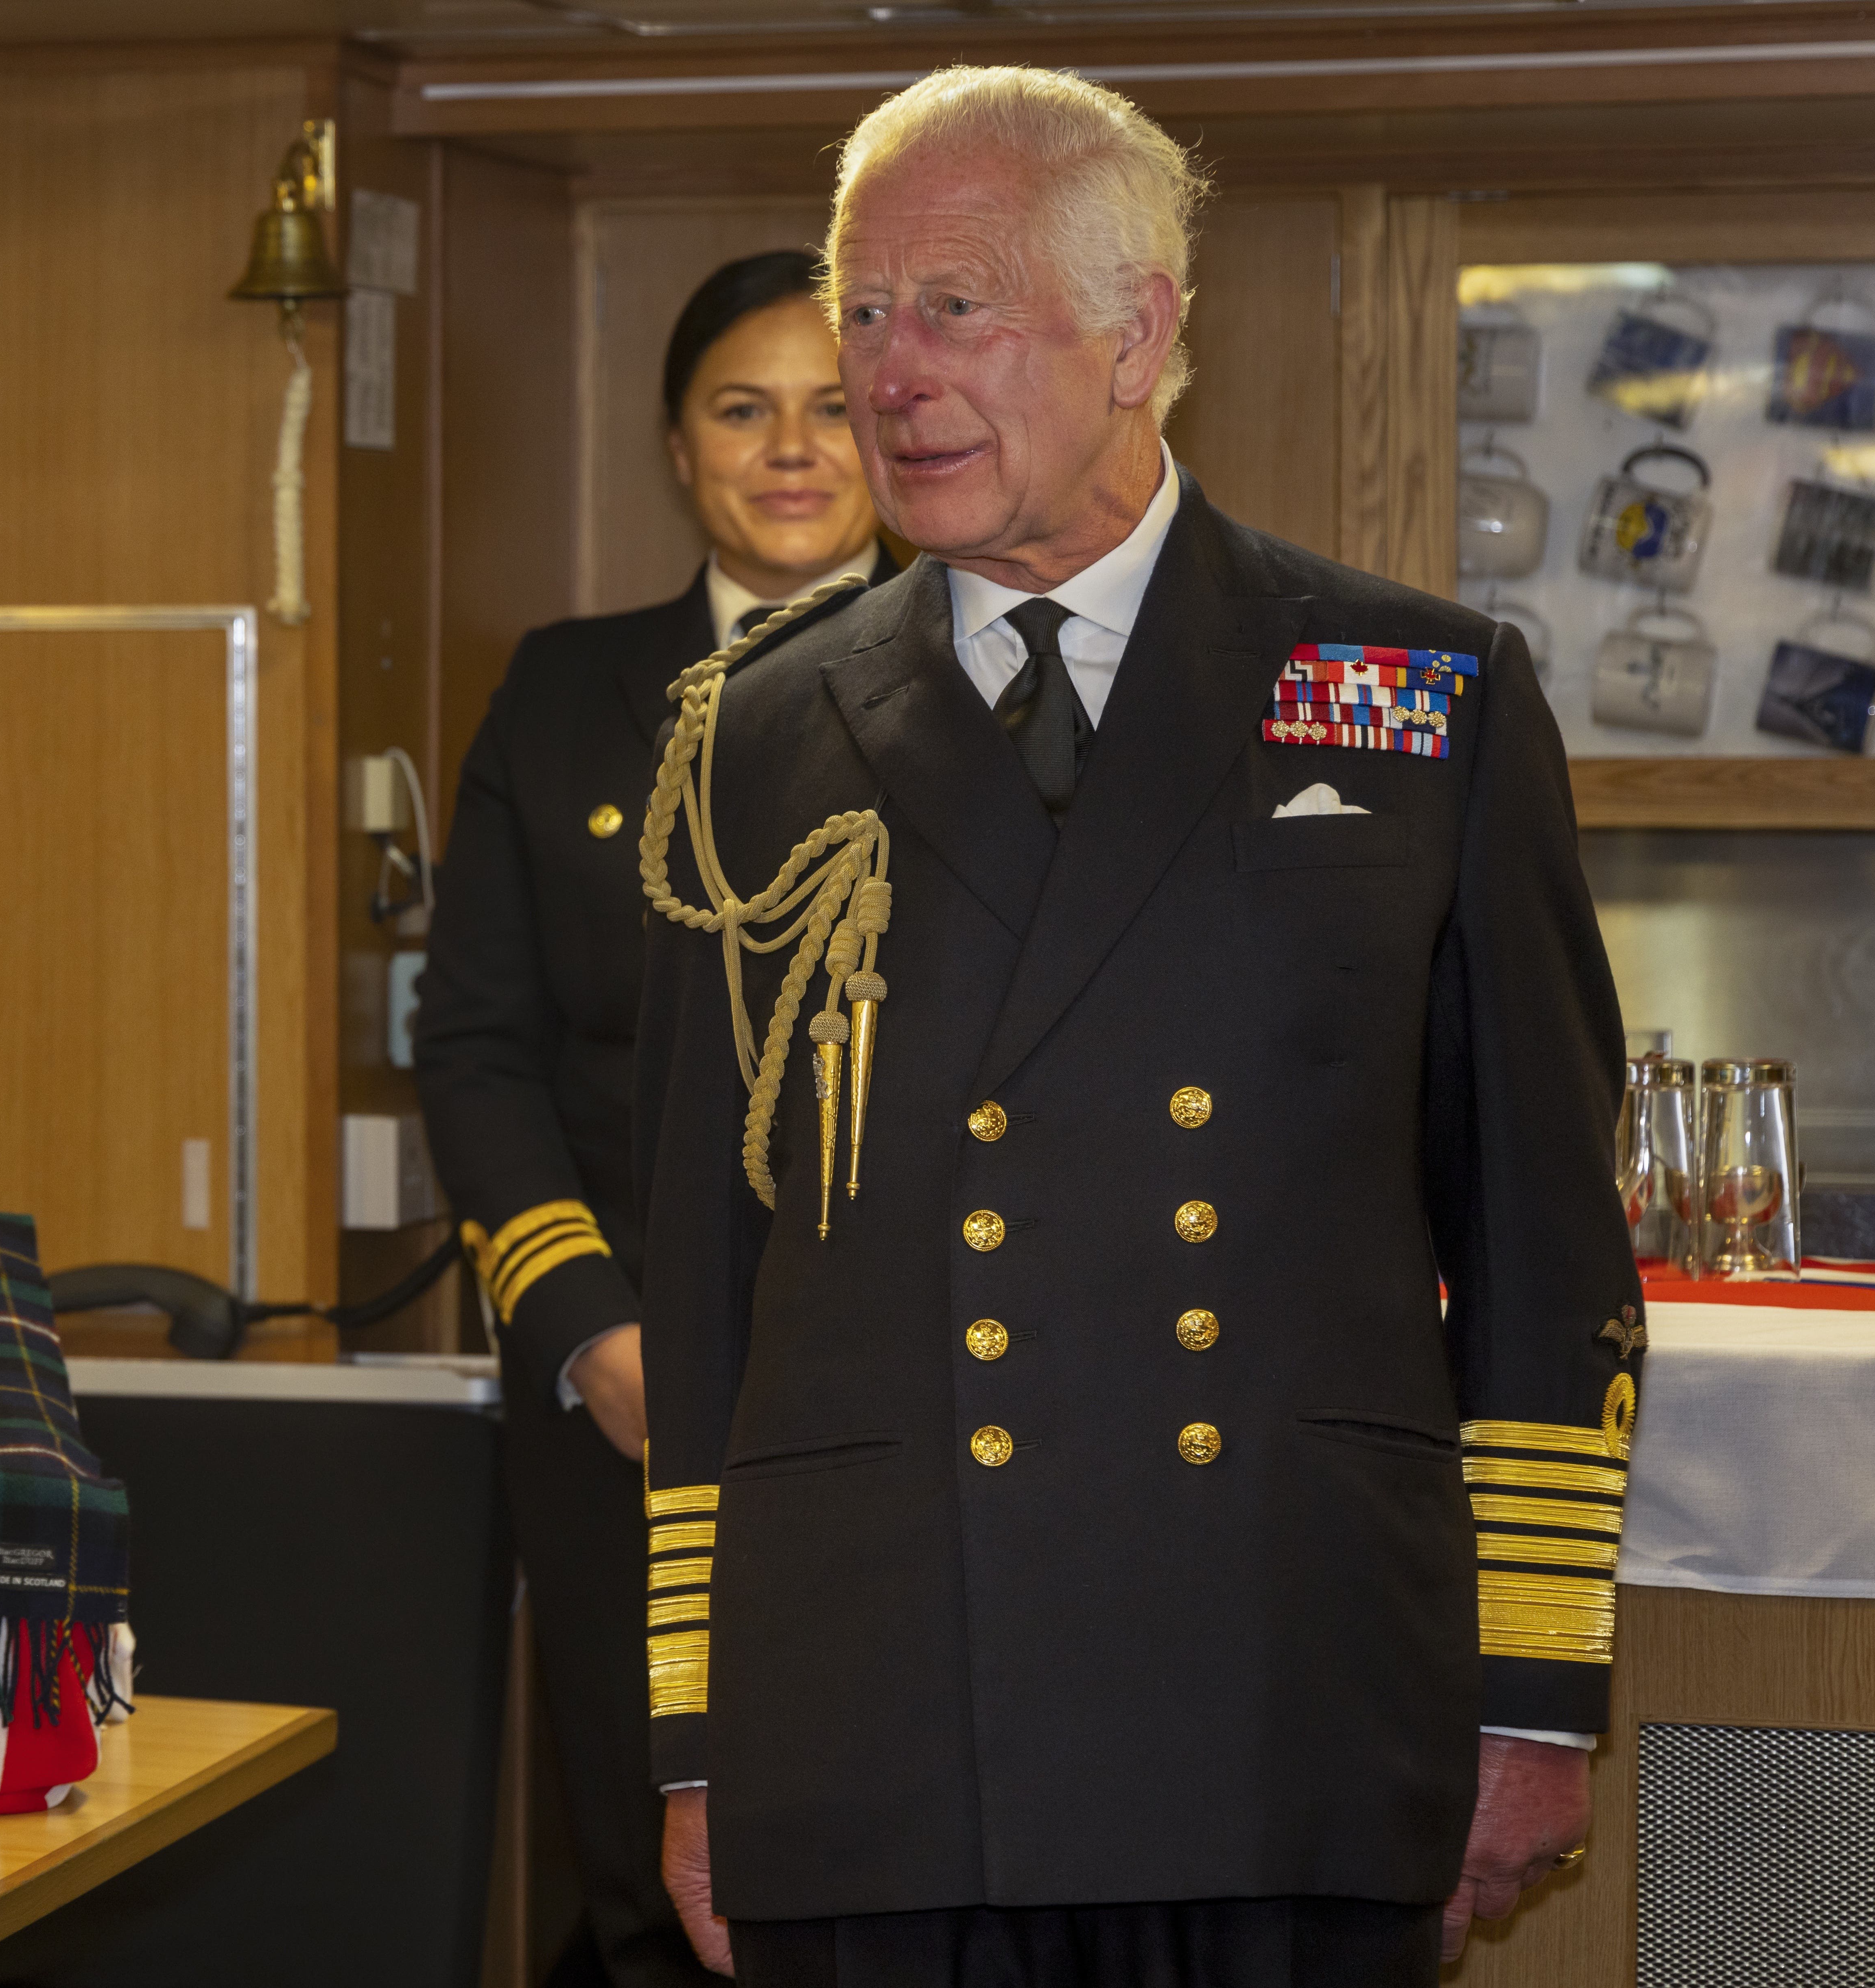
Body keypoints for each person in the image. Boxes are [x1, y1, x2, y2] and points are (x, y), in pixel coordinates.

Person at [632, 67, 1642, 1988]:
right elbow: (708, 1279)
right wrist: (698, 1740)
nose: (888, 373)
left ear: (1137, 334)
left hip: (1280, 1698)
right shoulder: (755, 735)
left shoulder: (1408, 693)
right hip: (879, 1726)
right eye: (863, 309)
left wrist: (1526, 1691)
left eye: (955, 309)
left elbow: (1537, 1234)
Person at [415, 249, 894, 1988]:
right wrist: (583, 1319)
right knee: (639, 1872)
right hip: (623, 1396)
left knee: (877, 1847)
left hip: (896, 1385)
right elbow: (472, 1040)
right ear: (675, 447)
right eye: (740, 408)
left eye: (833, 408)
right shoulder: (562, 691)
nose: (789, 449)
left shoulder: (991, 685)